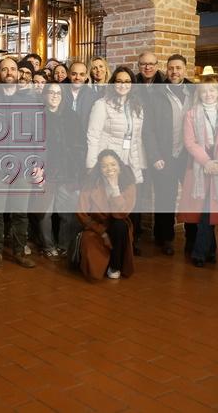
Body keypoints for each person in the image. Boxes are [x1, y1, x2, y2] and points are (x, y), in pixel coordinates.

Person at [0, 57, 38, 269]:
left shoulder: (30, 101)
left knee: (20, 213)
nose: (9, 72)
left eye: (13, 69)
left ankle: (19, 251)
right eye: (4, 69)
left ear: (19, 73)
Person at [85, 66, 145, 254]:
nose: (123, 85)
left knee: (128, 203)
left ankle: (128, 244)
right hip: (108, 162)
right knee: (109, 203)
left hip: (128, 161)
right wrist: (91, 165)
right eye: (119, 81)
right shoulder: (102, 104)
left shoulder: (137, 106)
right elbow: (92, 136)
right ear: (113, 83)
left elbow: (136, 139)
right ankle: (108, 248)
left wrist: (138, 167)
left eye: (127, 82)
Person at [178, 76, 218, 267]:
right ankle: (203, 252)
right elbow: (189, 142)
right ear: (199, 94)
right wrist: (207, 161)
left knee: (209, 209)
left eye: (212, 90)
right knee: (203, 209)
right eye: (204, 91)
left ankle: (206, 251)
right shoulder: (191, 114)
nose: (208, 94)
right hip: (199, 165)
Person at [142, 53, 195, 255]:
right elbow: (148, 129)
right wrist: (155, 156)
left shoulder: (195, 91)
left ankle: (192, 239)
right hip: (165, 156)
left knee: (191, 199)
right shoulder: (156, 93)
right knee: (165, 198)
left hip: (189, 156)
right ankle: (165, 239)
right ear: (166, 69)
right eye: (171, 68)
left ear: (185, 69)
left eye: (178, 68)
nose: (174, 72)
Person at [36, 84, 84, 258]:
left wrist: (77, 167)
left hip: (68, 171)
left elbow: (80, 145)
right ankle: (48, 246)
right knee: (44, 213)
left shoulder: (72, 116)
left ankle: (64, 245)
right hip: (46, 172)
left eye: (58, 93)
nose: (55, 96)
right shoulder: (37, 116)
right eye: (51, 92)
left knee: (68, 213)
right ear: (44, 94)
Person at [76, 149, 136, 280]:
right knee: (93, 271)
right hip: (95, 226)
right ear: (99, 168)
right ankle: (99, 265)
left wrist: (115, 189)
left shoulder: (128, 184)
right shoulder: (91, 183)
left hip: (118, 223)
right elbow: (81, 212)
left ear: (119, 166)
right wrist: (102, 232)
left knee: (120, 226)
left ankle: (115, 266)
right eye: (104, 166)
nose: (109, 169)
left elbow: (121, 214)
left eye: (113, 164)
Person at [62, 61, 99, 134]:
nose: (77, 77)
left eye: (82, 74)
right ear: (68, 75)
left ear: (86, 77)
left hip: (84, 138)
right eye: (74, 74)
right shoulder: (60, 92)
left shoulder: (94, 96)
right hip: (62, 137)